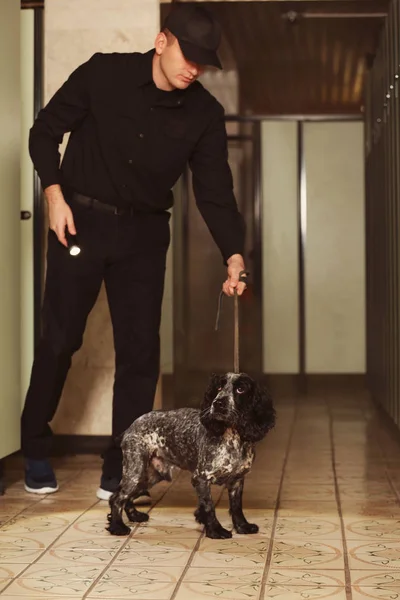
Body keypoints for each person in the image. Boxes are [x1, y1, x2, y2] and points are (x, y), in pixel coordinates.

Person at [22, 3, 247, 502]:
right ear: (162, 41)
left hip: (144, 237)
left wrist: (233, 253)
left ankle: (120, 468)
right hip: (77, 222)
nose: (194, 68)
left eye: (204, 63)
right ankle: (34, 444)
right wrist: (53, 195)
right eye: (189, 55)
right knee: (60, 340)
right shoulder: (104, 72)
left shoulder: (205, 113)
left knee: (141, 355)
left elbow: (213, 192)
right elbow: (44, 131)